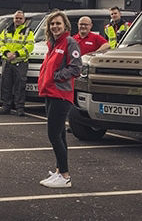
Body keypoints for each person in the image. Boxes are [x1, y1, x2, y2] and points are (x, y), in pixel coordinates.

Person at [37, 11, 82, 188]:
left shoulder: (70, 43)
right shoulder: (53, 43)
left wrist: (56, 76)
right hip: (50, 93)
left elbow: (76, 68)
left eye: (58, 23)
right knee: (60, 135)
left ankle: (65, 176)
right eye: (52, 24)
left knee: (53, 135)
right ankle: (59, 171)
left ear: (65, 26)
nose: (55, 26)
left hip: (61, 94)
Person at [0, 10, 35, 116]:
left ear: (24, 20)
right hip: (7, 61)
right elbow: (0, 42)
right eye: (16, 18)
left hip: (20, 62)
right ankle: (6, 106)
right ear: (13, 19)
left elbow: (29, 46)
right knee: (5, 85)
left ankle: (20, 108)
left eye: (20, 18)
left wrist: (16, 54)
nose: (18, 20)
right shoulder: (6, 30)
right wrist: (7, 52)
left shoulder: (28, 32)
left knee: (20, 86)